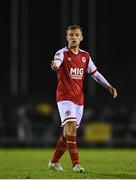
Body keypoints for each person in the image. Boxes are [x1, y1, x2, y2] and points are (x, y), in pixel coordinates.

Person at [48, 25, 117, 172]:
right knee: (71, 128)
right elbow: (57, 62)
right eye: (71, 35)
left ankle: (54, 161)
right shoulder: (61, 53)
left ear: (81, 38)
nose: (74, 37)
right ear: (67, 37)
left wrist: (108, 86)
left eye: (76, 35)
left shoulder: (85, 56)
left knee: (68, 134)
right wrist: (55, 65)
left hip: (79, 100)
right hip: (64, 98)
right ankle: (76, 164)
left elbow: (95, 74)